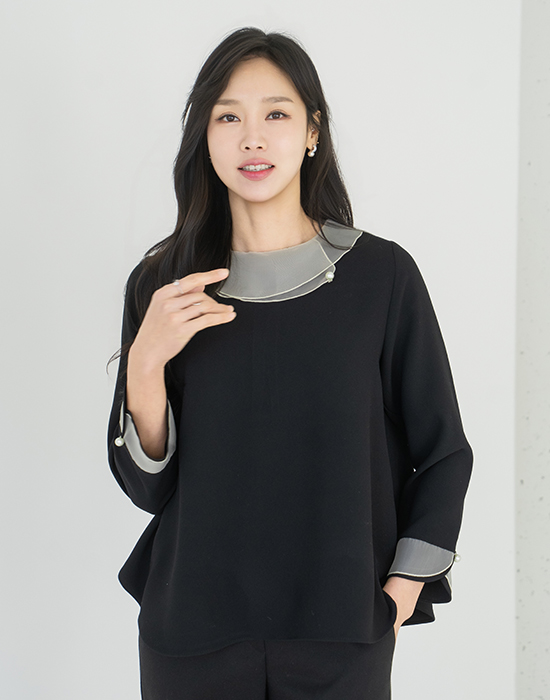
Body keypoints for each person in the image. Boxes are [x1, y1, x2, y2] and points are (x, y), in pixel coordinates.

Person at [107, 26, 473, 700]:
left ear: (312, 131)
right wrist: (145, 362)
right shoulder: (163, 286)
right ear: (205, 136)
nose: (253, 138)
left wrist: (401, 591)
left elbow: (443, 452)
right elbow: (148, 490)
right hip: (190, 636)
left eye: (276, 114)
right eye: (228, 117)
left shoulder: (381, 277)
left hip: (342, 634)